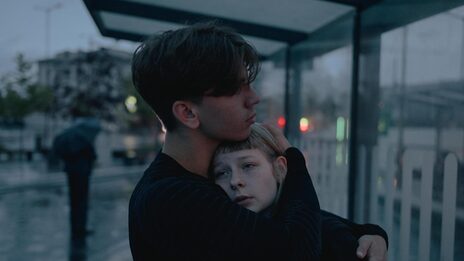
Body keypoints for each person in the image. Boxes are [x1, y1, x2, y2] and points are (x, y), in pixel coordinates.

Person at [129, 21, 386, 260]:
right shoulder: (171, 197)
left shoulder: (202, 178)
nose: (253, 98)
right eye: (234, 89)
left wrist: (365, 232)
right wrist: (293, 161)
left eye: (249, 85)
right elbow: (295, 250)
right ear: (188, 113)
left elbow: (283, 219)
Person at [212, 123, 388, 261]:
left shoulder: (332, 237)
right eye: (222, 172)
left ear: (280, 168)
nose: (235, 181)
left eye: (248, 166)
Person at [53, 118, 100, 246]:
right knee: (82, 201)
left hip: (71, 173)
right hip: (83, 174)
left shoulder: (67, 138)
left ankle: (75, 229)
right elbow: (93, 155)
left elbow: (60, 153)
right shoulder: (84, 139)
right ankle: (81, 229)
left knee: (73, 201)